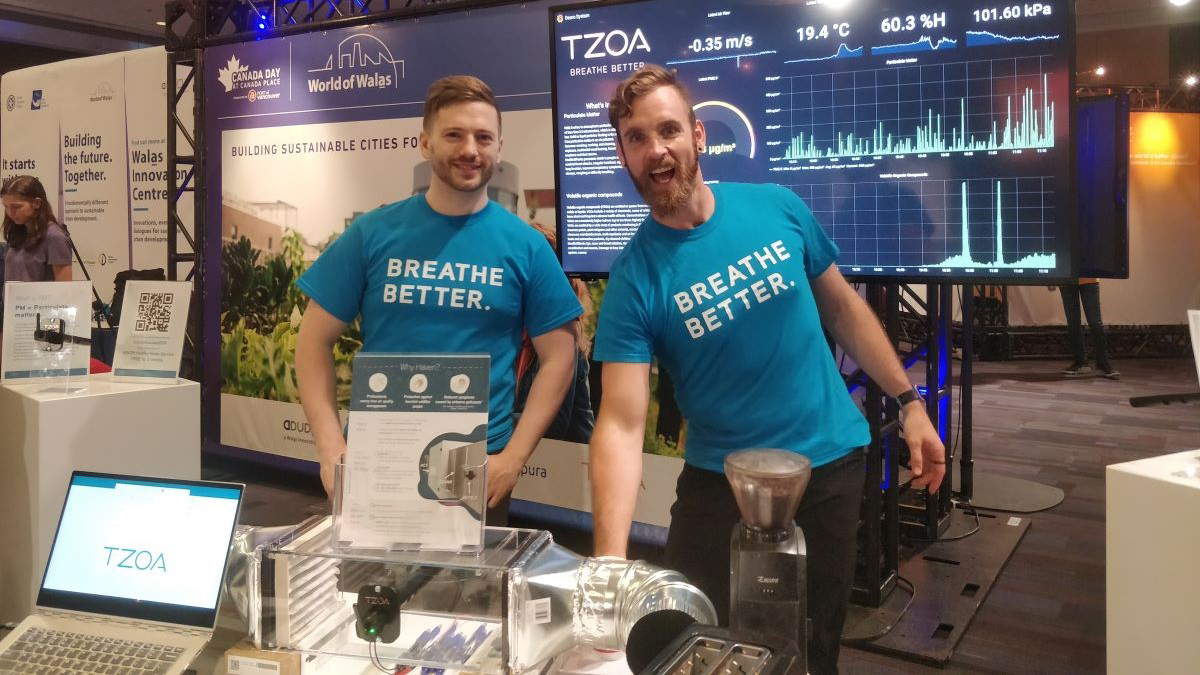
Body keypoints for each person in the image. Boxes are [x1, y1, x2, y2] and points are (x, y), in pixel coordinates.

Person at [588, 65, 946, 674]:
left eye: (668, 130)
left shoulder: (776, 207)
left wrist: (910, 402)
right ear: (623, 154)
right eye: (637, 138)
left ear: (698, 135)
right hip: (719, 484)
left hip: (827, 463)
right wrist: (610, 564)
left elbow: (844, 309)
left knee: (808, 644)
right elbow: (621, 424)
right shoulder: (634, 278)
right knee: (688, 640)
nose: (656, 150)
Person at [295, 75, 583, 525]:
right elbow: (312, 341)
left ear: (499, 147)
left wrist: (513, 458)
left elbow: (560, 357)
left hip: (473, 464)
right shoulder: (373, 233)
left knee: (464, 595)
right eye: (454, 134)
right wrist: (330, 445)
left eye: (483, 137)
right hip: (377, 456)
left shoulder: (526, 246)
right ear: (425, 143)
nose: (470, 149)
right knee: (365, 592)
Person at [513, 220, 595, 444]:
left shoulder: (563, 336)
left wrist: (484, 421)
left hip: (557, 468)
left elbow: (553, 425)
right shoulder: (512, 334)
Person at [1, 175, 73, 350]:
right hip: (13, 317)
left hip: (41, 321)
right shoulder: (18, 234)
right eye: (6, 207)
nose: (11, 213)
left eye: (17, 207)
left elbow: (64, 291)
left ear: (37, 203)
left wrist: (50, 335)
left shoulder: (54, 237)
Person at [1058, 278, 1118, 379]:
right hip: (1066, 279)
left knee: (1095, 323)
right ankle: (1080, 363)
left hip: (1089, 278)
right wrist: (1053, 279)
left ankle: (1102, 364)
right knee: (1073, 323)